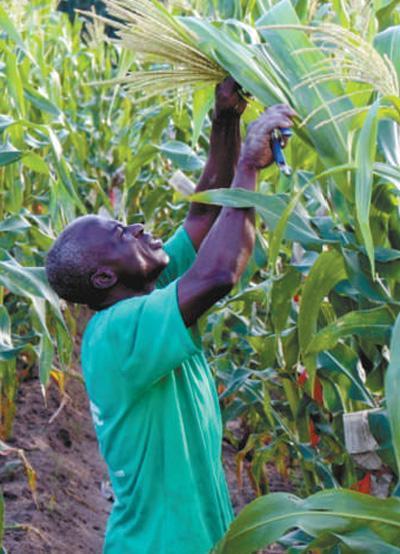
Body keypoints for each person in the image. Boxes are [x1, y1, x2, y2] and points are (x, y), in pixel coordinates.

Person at [45, 77, 295, 554]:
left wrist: (226, 121)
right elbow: (219, 273)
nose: (137, 226)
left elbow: (203, 219)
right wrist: (248, 167)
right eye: (122, 233)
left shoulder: (144, 297)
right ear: (102, 279)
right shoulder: (117, 334)